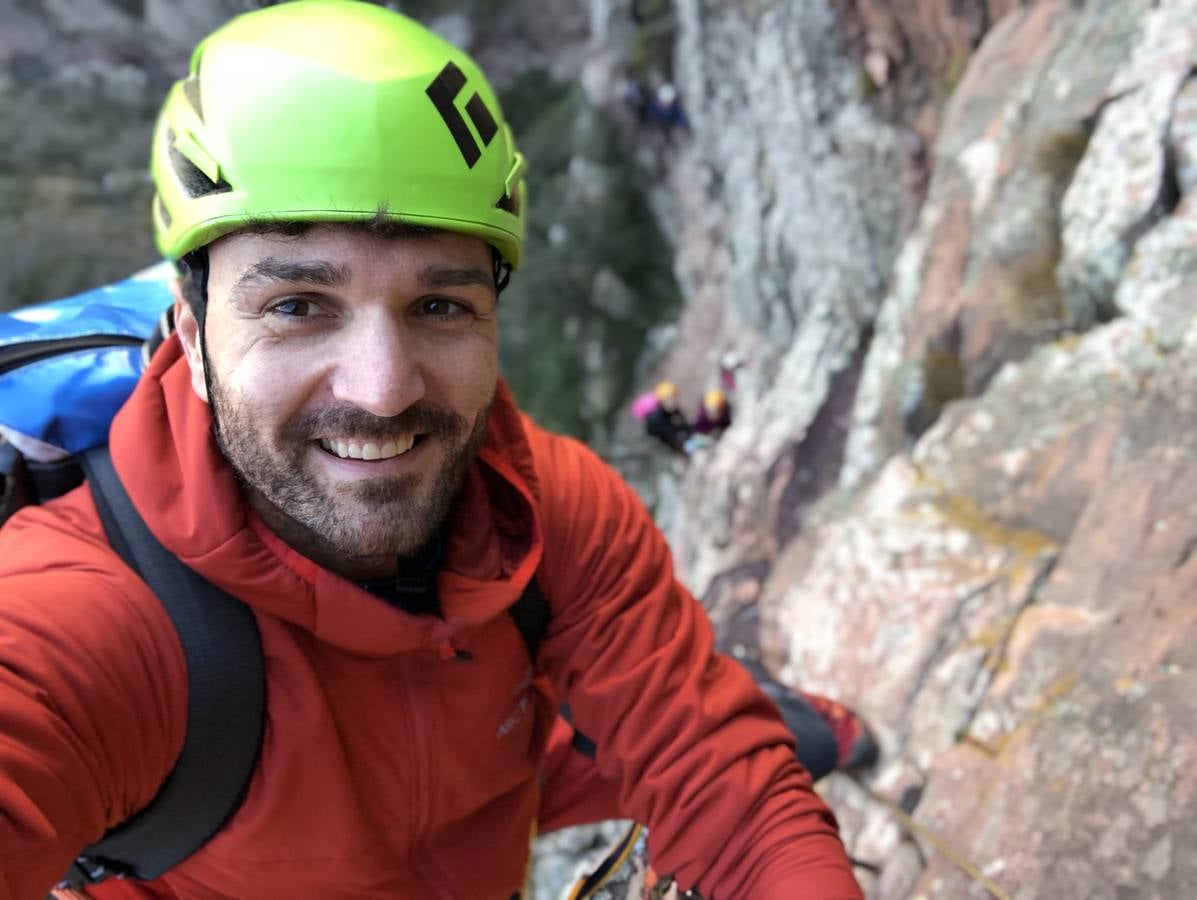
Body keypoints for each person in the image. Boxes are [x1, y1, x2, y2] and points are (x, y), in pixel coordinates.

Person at [0, 3, 866, 898]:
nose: (382, 390)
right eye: (297, 306)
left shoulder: (550, 515)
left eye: (440, 306)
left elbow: (724, 787)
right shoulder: (88, 620)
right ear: (193, 334)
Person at [643, 380, 691, 454]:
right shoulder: (657, 417)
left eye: (674, 398)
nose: (672, 401)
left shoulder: (673, 409)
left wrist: (691, 432)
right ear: (662, 401)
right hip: (656, 438)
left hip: (666, 431)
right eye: (668, 399)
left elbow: (683, 424)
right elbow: (670, 436)